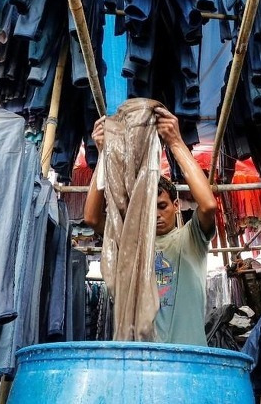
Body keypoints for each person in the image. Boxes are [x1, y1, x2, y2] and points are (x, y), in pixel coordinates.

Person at [83, 106, 217, 346]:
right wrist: (104, 155)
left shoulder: (191, 238)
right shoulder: (132, 241)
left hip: (189, 353)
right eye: (148, 208)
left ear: (176, 205)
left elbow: (208, 206)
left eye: (162, 206)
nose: (155, 215)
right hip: (142, 357)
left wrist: (175, 142)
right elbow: (92, 219)